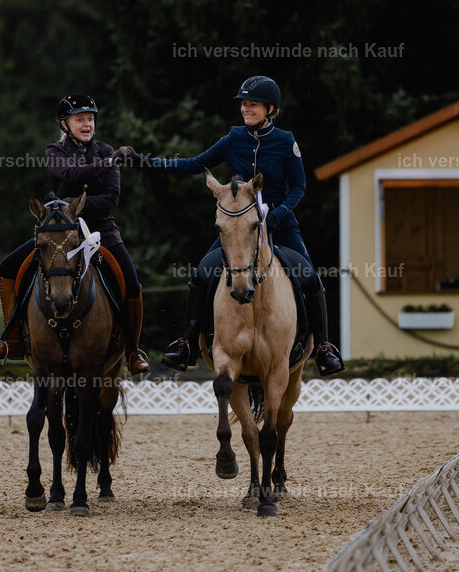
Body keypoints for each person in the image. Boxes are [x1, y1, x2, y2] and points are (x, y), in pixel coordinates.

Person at [127, 76, 345, 376]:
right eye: (243, 104)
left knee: (309, 277)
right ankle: (187, 341)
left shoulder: (285, 140)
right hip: (240, 229)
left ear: (270, 109)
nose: (245, 109)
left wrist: (279, 214)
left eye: (251, 104)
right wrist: (143, 161)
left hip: (280, 225)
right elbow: (193, 163)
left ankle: (322, 346)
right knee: (203, 272)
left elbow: (299, 186)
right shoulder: (233, 138)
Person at [0, 94, 151, 376]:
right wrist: (107, 165)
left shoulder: (105, 149)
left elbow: (110, 200)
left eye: (90, 119)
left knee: (132, 283)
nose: (87, 124)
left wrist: (74, 200)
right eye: (80, 119)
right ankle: (10, 340)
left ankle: (132, 351)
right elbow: (71, 174)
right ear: (65, 123)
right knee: (8, 265)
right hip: (62, 231)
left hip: (102, 231)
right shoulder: (55, 151)